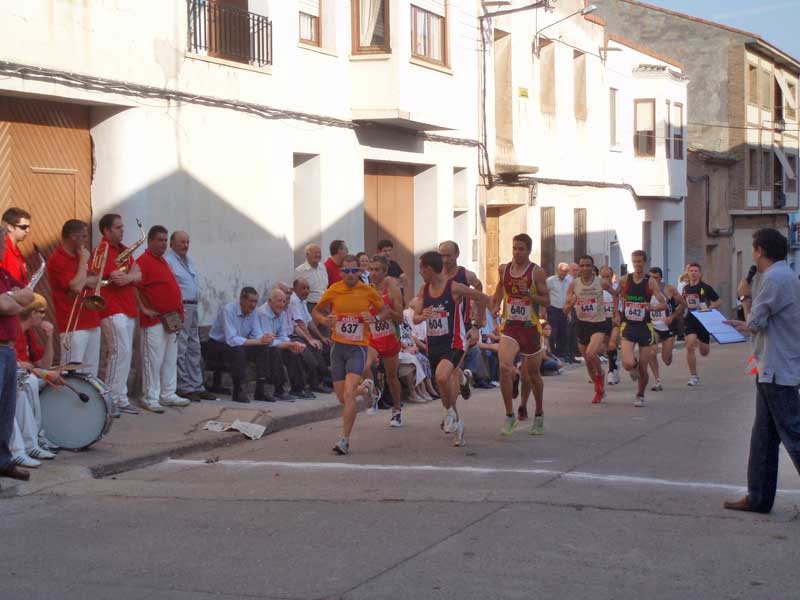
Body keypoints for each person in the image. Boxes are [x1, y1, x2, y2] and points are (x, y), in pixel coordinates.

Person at [723, 228, 800, 514]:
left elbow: (754, 321)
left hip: (777, 370)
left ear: (760, 251)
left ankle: (758, 496)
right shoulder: (786, 275)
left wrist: (744, 296)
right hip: (772, 367)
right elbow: (759, 324)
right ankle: (758, 498)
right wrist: (739, 324)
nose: (753, 254)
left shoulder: (773, 279)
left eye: (754, 249)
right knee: (763, 438)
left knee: (793, 434)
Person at [312, 255, 386, 455]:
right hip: (338, 348)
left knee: (349, 390)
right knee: (342, 396)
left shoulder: (367, 291)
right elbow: (316, 312)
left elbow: (385, 311)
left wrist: (374, 317)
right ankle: (367, 387)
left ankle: (344, 440)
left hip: (358, 348)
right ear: (341, 272)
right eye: (347, 271)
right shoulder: (334, 290)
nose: (351, 275)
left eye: (355, 271)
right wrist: (325, 320)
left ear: (360, 272)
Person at [414, 251, 489, 447]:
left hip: (453, 342)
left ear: (429, 269)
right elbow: (415, 317)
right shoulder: (424, 289)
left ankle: (449, 413)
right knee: (445, 384)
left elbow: (482, 297)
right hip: (434, 345)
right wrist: (422, 316)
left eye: (421, 269)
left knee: (441, 376)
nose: (420, 272)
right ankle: (456, 419)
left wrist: (476, 326)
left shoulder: (454, 288)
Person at [491, 233, 549, 435]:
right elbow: (499, 289)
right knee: (504, 367)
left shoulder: (537, 273)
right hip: (510, 327)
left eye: (521, 249)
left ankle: (539, 414)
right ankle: (509, 416)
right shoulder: (504, 269)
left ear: (529, 250)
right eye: (514, 248)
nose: (517, 252)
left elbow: (546, 301)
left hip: (530, 328)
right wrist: (495, 305)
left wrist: (529, 294)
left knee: (533, 375)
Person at [134, 226, 189, 413]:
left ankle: (168, 393)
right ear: (150, 241)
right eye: (160, 240)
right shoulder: (143, 261)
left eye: (165, 240)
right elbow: (134, 287)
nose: (164, 244)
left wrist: (179, 314)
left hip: (171, 319)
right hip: (154, 320)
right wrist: (143, 308)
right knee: (153, 360)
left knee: (169, 359)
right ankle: (150, 396)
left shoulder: (163, 262)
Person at [0, 226, 35, 484]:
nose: (4, 247)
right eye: (1, 242)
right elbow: (5, 305)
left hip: (8, 349)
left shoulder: (3, 272)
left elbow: (28, 296)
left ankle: (3, 461)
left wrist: (11, 298)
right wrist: (13, 300)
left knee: (6, 410)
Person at [97, 214, 142, 415]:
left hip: (127, 306)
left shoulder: (124, 249)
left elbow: (138, 273)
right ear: (106, 231)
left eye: (122, 226)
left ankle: (120, 396)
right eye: (118, 227)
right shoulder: (102, 250)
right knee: (118, 352)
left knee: (125, 353)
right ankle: (110, 399)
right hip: (111, 307)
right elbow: (106, 275)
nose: (122, 230)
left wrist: (129, 276)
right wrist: (115, 276)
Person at [165, 231, 216, 401]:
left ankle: (197, 385)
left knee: (194, 347)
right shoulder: (169, 261)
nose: (185, 245)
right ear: (172, 244)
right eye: (181, 242)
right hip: (180, 308)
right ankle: (184, 386)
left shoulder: (190, 261)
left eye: (187, 242)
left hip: (193, 307)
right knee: (181, 348)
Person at [47, 220, 102, 377]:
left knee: (91, 375)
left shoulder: (79, 254)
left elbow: (94, 281)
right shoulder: (58, 259)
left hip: (91, 319)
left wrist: (81, 278)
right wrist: (83, 263)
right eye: (84, 236)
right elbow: (77, 287)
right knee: (73, 376)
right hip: (73, 325)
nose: (86, 240)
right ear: (73, 237)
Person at [13, 294, 62, 465]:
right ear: (32, 313)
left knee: (44, 380)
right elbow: (22, 366)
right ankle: (35, 439)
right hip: (20, 377)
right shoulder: (14, 331)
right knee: (30, 382)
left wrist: (49, 337)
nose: (43, 316)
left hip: (27, 375)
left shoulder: (29, 333)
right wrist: (45, 374)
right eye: (41, 312)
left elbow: (44, 363)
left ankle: (39, 437)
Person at [207, 287, 275, 403]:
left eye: (255, 302)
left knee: (263, 348)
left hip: (239, 344)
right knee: (238, 351)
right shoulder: (228, 310)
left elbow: (257, 334)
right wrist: (258, 341)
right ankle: (238, 391)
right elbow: (231, 339)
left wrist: (265, 339)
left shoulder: (253, 312)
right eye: (251, 301)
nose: (253, 305)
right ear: (242, 300)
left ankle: (261, 390)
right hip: (217, 346)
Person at [617, 251, 667, 407]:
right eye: (634, 262)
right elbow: (616, 295)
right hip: (629, 325)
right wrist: (616, 313)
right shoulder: (625, 279)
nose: (637, 264)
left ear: (644, 262)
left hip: (645, 326)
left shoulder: (650, 282)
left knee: (644, 366)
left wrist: (651, 307)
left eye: (639, 262)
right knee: (627, 363)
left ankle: (640, 394)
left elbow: (663, 303)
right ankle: (633, 365)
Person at [564, 256, 615, 404]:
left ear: (593, 268)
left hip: (599, 323)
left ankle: (601, 373)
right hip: (582, 324)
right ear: (579, 268)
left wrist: (617, 313)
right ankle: (599, 389)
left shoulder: (600, 282)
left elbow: (615, 294)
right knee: (587, 360)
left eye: (588, 266)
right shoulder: (574, 284)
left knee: (591, 353)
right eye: (582, 266)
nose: (584, 268)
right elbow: (565, 309)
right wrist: (571, 303)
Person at [439, 240, 483, 400]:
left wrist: (477, 323)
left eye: (448, 256)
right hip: (441, 328)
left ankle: (451, 413)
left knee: (452, 367)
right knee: (448, 368)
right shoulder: (436, 275)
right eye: (441, 256)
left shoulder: (466, 275)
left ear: (457, 254)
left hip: (461, 327)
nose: (444, 260)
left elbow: (480, 291)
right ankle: (463, 379)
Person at [256, 288, 310, 400]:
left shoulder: (281, 312)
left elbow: (283, 335)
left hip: (274, 342)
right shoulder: (263, 313)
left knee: (294, 350)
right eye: (279, 301)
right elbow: (267, 341)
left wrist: (290, 344)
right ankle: (279, 389)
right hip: (260, 346)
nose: (281, 304)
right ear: (270, 301)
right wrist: (287, 344)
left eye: (284, 302)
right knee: (276, 351)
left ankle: (298, 388)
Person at [287, 278, 332, 394]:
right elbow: (300, 322)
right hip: (292, 336)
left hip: (302, 334)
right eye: (303, 288)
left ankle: (320, 382)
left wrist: (321, 337)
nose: (306, 291)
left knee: (323, 345)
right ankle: (312, 384)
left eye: (308, 288)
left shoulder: (302, 301)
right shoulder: (294, 300)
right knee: (311, 351)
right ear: (295, 289)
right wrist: (310, 339)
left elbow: (309, 321)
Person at [647, 267, 686, 391]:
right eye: (650, 277)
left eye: (656, 277)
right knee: (651, 353)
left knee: (666, 359)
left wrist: (673, 316)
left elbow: (683, 304)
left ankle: (668, 354)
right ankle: (657, 381)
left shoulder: (668, 289)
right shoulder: (646, 291)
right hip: (653, 327)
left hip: (668, 328)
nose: (653, 280)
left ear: (661, 278)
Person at [682, 263, 721, 386]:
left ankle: (699, 340)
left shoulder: (705, 287)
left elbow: (719, 301)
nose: (693, 273)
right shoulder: (685, 288)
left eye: (696, 271)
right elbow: (684, 303)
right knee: (689, 346)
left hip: (703, 321)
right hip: (690, 320)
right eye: (691, 270)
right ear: (687, 273)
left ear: (700, 273)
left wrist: (709, 308)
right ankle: (693, 376)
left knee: (704, 352)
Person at [545, 263, 571, 361]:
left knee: (563, 332)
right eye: (562, 271)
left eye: (565, 272)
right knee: (553, 332)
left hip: (564, 309)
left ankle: (561, 354)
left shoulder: (569, 281)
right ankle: (552, 353)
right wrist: (544, 310)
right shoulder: (550, 280)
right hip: (553, 308)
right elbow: (545, 294)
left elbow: (571, 295)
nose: (563, 273)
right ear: (557, 270)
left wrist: (569, 311)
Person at [600, 266, 621, 385]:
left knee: (613, 345)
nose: (605, 279)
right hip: (602, 321)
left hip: (614, 320)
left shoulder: (616, 289)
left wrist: (618, 315)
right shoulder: (597, 289)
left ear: (612, 276)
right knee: (607, 347)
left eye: (607, 276)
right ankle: (614, 364)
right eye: (603, 276)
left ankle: (611, 372)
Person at [1, 207, 32, 284]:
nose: (28, 231)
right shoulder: (2, 250)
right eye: (23, 227)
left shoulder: (16, 250)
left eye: (28, 227)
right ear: (10, 227)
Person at [294, 244, 328, 310]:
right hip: (310, 305)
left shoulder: (323, 267)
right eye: (315, 253)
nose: (318, 255)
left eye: (319, 253)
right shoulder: (300, 271)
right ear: (307, 255)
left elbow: (325, 286)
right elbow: (296, 292)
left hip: (325, 303)